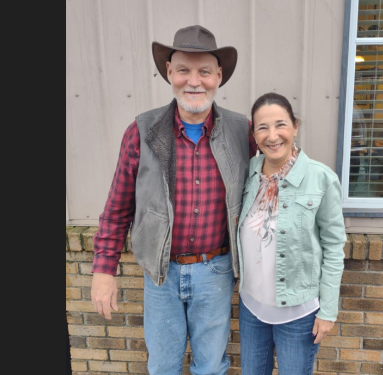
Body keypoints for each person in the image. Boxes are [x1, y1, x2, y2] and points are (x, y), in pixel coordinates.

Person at [90, 25, 256, 375]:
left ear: (218, 76)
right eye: (183, 70)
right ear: (169, 72)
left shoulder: (243, 132)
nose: (193, 81)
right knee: (163, 366)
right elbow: (118, 207)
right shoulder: (141, 131)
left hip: (216, 270)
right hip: (160, 275)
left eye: (204, 72)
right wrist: (104, 270)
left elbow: (275, 180)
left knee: (210, 367)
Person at [236, 92, 346, 375]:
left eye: (280, 124)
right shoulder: (248, 173)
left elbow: (334, 247)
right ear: (254, 134)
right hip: (252, 307)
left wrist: (328, 311)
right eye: (262, 127)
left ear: (295, 126)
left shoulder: (322, 178)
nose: (272, 136)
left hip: (298, 313)